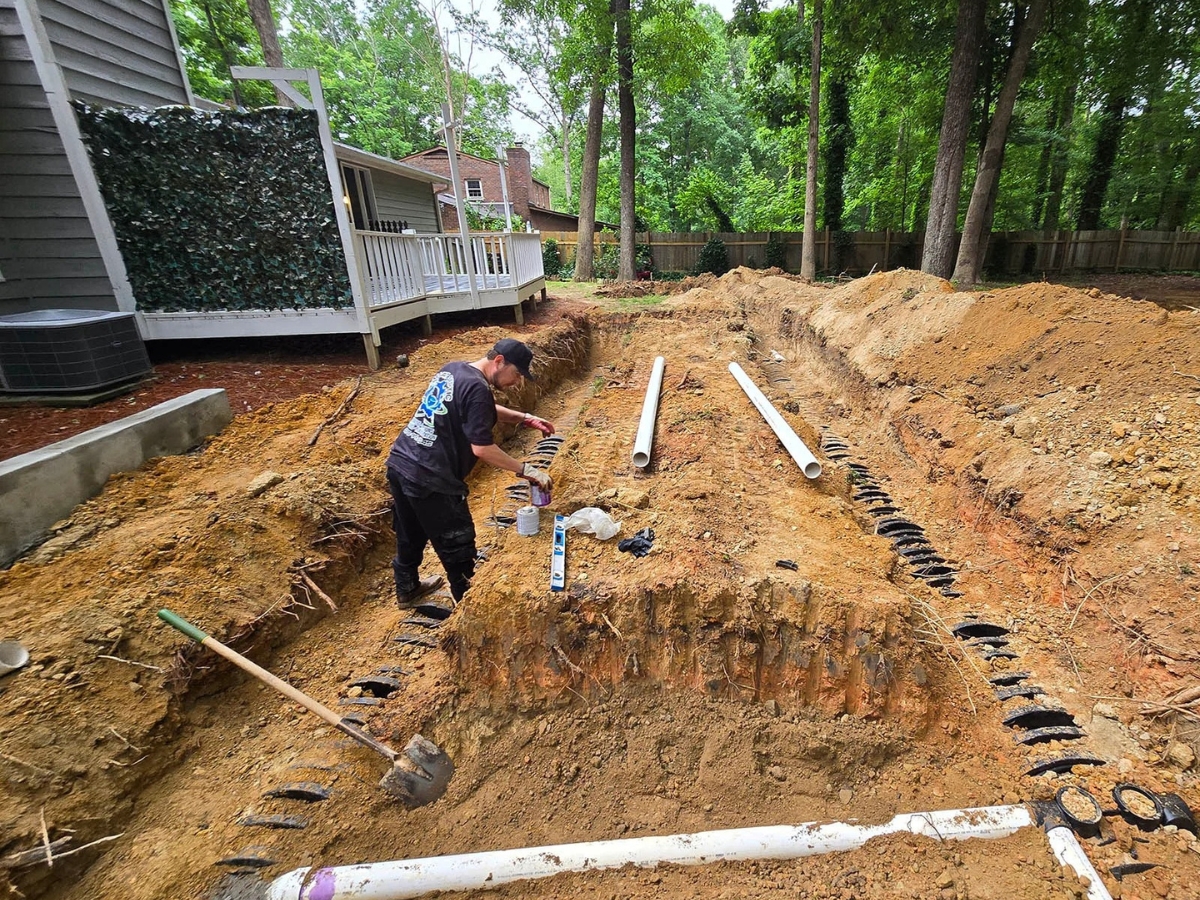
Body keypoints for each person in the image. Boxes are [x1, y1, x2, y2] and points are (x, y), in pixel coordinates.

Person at [386, 338, 555, 607]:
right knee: (458, 547)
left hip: (400, 463)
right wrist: (527, 469)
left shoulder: (453, 370)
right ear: (499, 361)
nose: (518, 382)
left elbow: (475, 408)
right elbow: (482, 449)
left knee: (410, 532)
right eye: (517, 374)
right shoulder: (478, 387)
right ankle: (468, 608)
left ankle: (407, 588)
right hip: (433, 477)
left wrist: (523, 418)